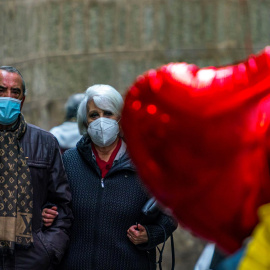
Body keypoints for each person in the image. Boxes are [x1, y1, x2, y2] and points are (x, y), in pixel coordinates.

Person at [43, 84, 177, 270]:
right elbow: (54, 204)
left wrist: (151, 234)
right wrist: (48, 212)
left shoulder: (144, 163)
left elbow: (170, 214)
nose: (101, 121)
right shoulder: (70, 161)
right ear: (85, 121)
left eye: (108, 113)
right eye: (94, 115)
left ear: (121, 119)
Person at [0, 66, 73, 270]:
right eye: (1, 90)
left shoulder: (45, 142)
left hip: (30, 258)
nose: (8, 97)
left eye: (15, 92)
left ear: (22, 99)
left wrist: (48, 250)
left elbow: (62, 204)